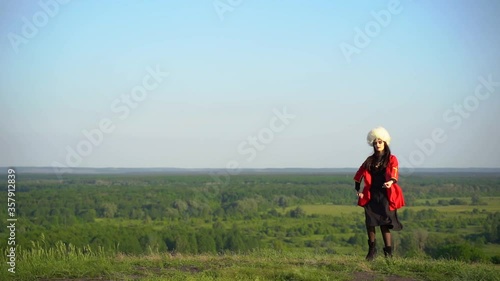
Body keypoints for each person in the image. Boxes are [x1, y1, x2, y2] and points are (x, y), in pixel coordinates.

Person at [353, 126, 405, 261]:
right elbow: (359, 174)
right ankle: (372, 251)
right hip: (370, 195)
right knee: (370, 223)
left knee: (384, 223)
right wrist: (358, 190)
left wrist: (391, 182)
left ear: (385, 142)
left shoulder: (391, 158)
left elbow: (394, 171)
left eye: (380, 142)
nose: (377, 144)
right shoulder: (369, 160)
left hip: (385, 195)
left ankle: (388, 253)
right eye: (375, 142)